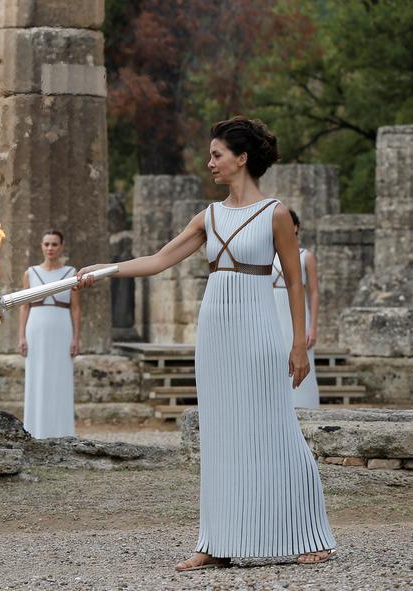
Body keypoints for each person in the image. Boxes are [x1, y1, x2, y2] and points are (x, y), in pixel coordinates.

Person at [76, 117, 335, 568]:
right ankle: (216, 542)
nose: (210, 162)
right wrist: (104, 270)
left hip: (257, 330)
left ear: (242, 158)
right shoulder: (208, 216)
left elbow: (294, 282)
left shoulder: (275, 213)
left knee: (274, 426)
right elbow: (158, 260)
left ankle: (309, 534)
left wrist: (298, 345)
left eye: (217, 154)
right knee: (219, 432)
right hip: (215, 333)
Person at [18, 229, 81, 438]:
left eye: (54, 244)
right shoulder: (31, 273)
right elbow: (24, 306)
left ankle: (62, 432)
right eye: (46, 244)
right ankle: (35, 431)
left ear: (61, 247)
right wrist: (21, 336)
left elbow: (76, 308)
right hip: (36, 328)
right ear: (41, 246)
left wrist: (75, 338)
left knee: (60, 377)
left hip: (62, 328)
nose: (50, 248)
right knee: (37, 377)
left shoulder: (71, 273)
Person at [272, 210, 320, 408]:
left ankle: (303, 405)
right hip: (272, 309)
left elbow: (314, 292)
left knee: (299, 358)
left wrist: (313, 327)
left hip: (296, 313)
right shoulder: (268, 256)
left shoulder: (305, 256)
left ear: (295, 227)